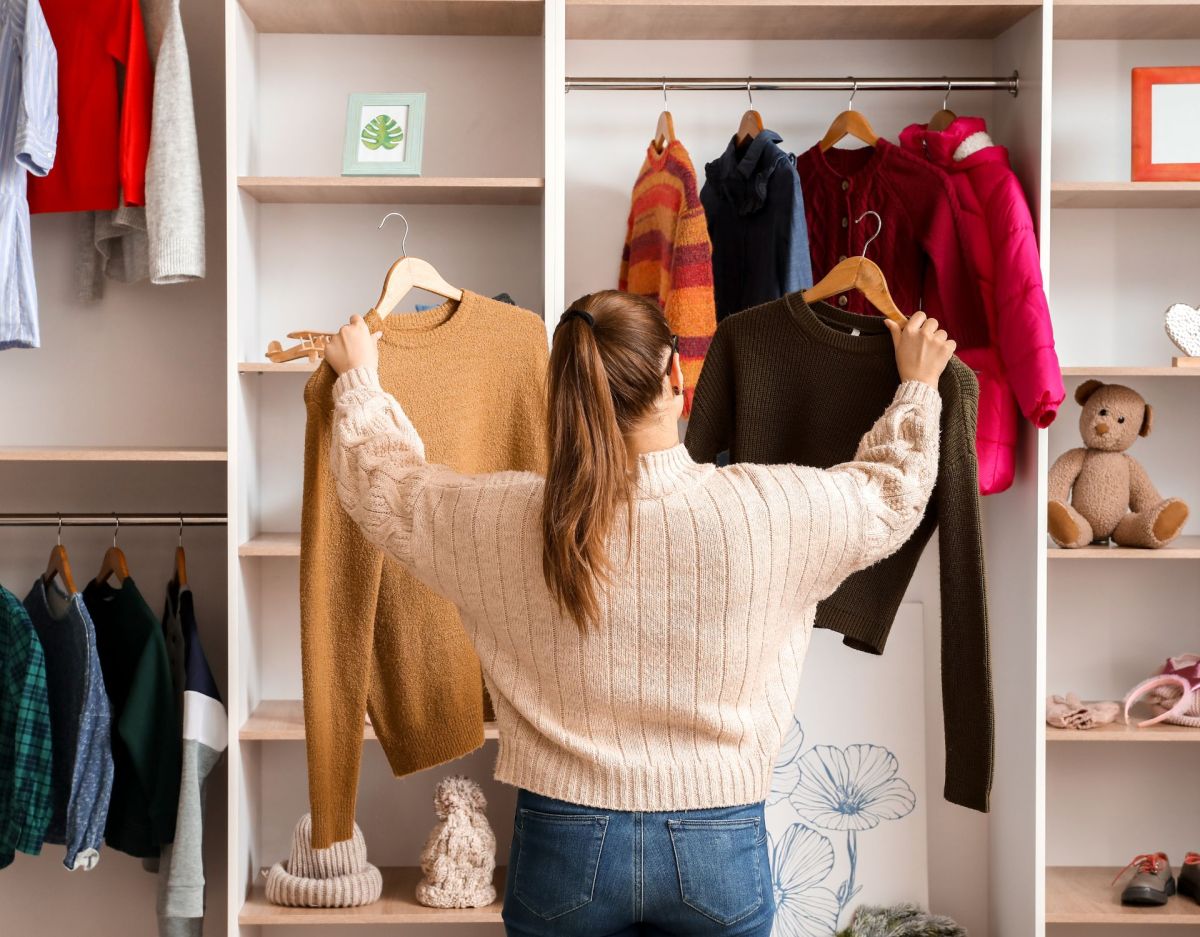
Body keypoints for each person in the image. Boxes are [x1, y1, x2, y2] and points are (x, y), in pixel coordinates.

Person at [322, 290, 955, 937]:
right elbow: (891, 490)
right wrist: (918, 386)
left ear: (562, 394)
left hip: (563, 842)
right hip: (720, 838)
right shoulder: (769, 512)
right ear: (675, 376)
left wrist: (361, 382)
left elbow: (387, 488)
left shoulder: (503, 520)